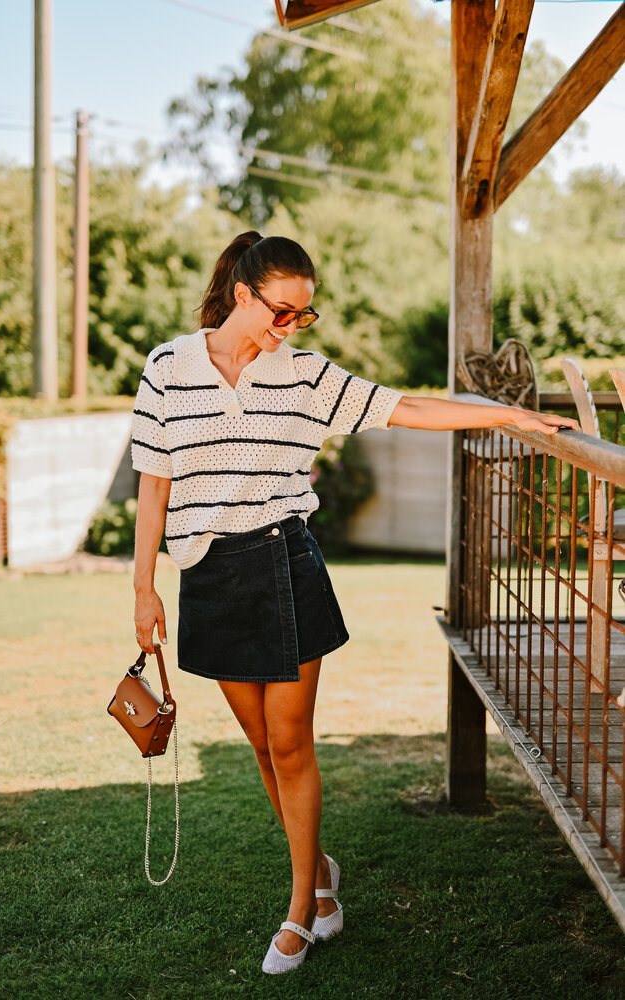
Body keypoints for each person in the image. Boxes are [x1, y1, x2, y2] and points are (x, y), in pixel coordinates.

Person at [130, 231, 578, 974]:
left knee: (291, 744)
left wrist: (507, 416)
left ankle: (303, 906)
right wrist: (143, 586)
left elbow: (405, 407)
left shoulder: (306, 376)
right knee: (261, 748)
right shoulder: (168, 368)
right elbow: (155, 482)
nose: (291, 327)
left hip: (285, 562)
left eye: (303, 315)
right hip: (207, 573)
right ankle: (319, 871)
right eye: (281, 312)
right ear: (242, 294)